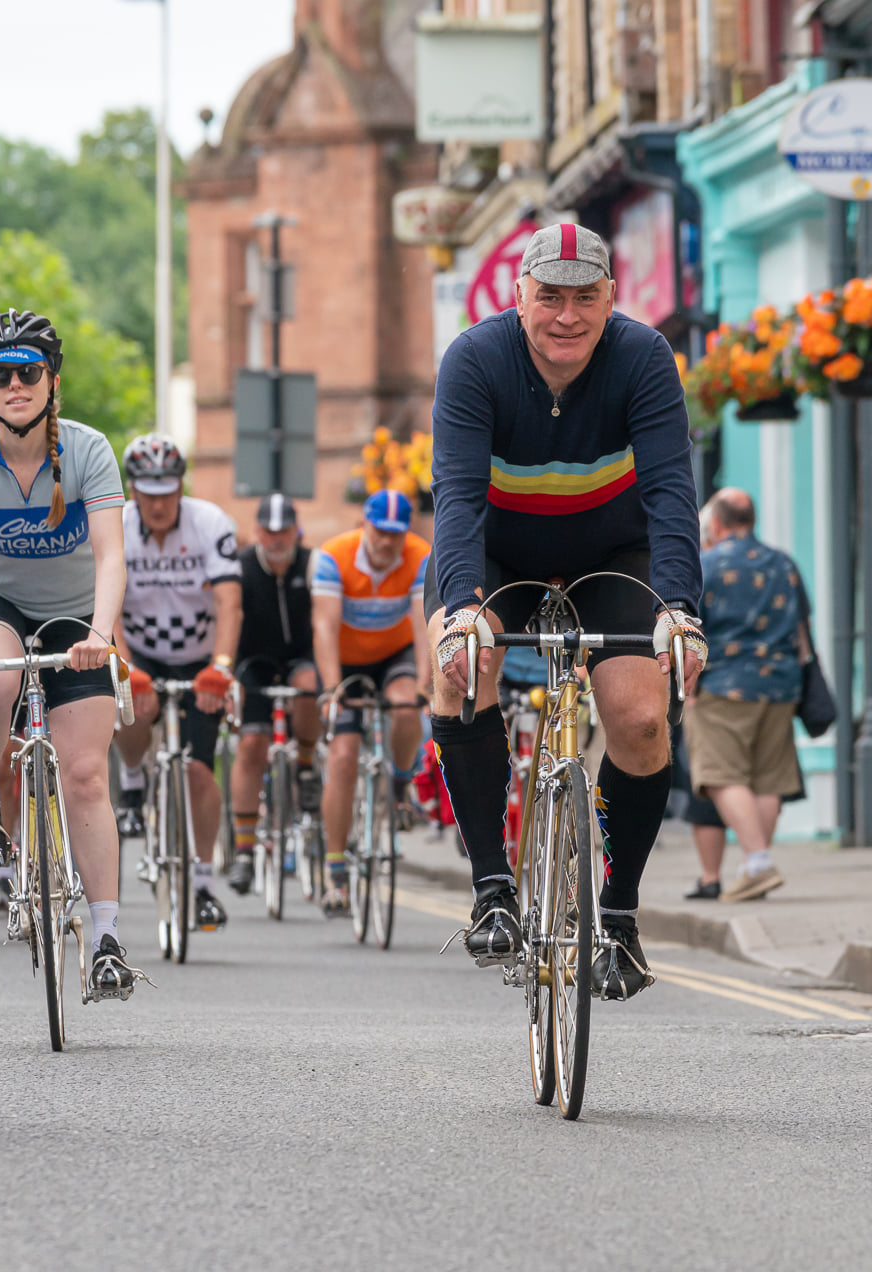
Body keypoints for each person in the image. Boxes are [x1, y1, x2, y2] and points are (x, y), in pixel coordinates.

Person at [425, 222, 706, 1000]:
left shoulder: (643, 355)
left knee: (642, 719)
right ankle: (491, 889)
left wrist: (680, 608)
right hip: (495, 553)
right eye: (549, 296)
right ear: (520, 297)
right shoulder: (476, 360)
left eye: (585, 298)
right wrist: (460, 608)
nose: (567, 316)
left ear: (611, 298)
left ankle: (617, 915)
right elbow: (455, 495)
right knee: (461, 666)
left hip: (610, 553)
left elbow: (670, 493)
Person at [0, 309, 142, 999]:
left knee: (87, 775)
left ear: (51, 380)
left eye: (28, 371)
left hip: (74, 617)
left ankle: (108, 937)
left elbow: (111, 553)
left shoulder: (87, 450)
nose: (15, 385)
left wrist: (101, 632)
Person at [110, 435, 241, 931]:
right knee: (129, 700)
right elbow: (110, 602)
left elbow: (230, 602)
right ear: (133, 490)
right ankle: (132, 780)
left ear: (181, 486)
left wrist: (223, 666)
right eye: (149, 492)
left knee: (199, 771)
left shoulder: (210, 523)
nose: (160, 503)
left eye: (168, 491)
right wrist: (125, 665)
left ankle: (203, 883)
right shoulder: (117, 525)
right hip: (140, 648)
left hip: (199, 657)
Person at [682, 488, 807, 903]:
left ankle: (757, 863)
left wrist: (690, 690)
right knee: (767, 778)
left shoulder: (706, 564)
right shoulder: (783, 563)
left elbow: (692, 631)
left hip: (724, 686)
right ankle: (754, 868)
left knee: (720, 775)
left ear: (715, 524)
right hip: (781, 685)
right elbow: (802, 628)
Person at [312, 490, 431, 916]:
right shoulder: (333, 557)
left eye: (396, 535)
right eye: (380, 532)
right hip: (343, 660)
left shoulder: (419, 556)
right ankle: (336, 865)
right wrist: (331, 691)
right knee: (343, 755)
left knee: (405, 705)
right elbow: (324, 627)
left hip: (392, 655)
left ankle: (398, 787)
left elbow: (423, 623)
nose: (387, 543)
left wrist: (425, 685)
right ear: (366, 525)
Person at [228, 492, 320, 895]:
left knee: (307, 687)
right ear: (257, 531)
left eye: (285, 531)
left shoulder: (314, 564)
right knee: (251, 745)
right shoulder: (240, 568)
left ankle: (304, 764)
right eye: (269, 530)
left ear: (297, 532)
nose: (277, 538)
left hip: (302, 656)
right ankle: (244, 851)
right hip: (255, 662)